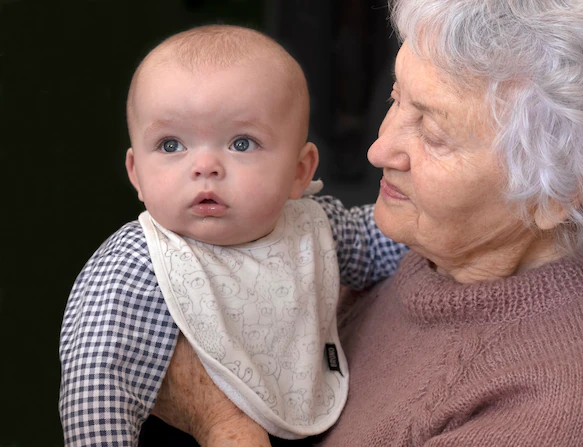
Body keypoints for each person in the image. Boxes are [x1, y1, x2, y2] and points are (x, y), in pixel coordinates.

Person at [150, 0, 583, 445]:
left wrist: (220, 420)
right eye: (397, 100)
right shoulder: (412, 252)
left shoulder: (567, 403)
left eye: (434, 134)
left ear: (555, 193)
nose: (379, 150)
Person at [58, 25, 408, 447]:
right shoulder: (138, 262)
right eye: (171, 145)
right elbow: (97, 385)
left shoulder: (315, 227)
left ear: (300, 171)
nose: (205, 166)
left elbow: (385, 241)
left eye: (242, 143)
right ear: (137, 174)